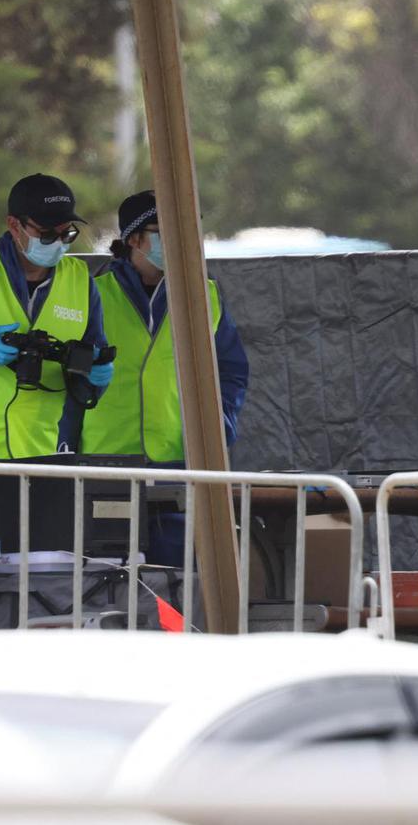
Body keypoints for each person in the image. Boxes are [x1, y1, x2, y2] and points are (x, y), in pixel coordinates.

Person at [69, 190, 249, 564]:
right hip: (105, 464)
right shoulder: (89, 294)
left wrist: (221, 424)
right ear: (134, 239)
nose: (185, 239)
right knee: (108, 583)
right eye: (169, 230)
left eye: (191, 229)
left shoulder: (206, 295)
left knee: (179, 582)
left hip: (178, 464)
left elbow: (230, 371)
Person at [0, 173, 112, 461]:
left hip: (42, 454)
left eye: (67, 234)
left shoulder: (81, 280)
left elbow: (91, 361)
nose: (59, 243)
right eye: (47, 234)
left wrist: (95, 377)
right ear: (14, 225)